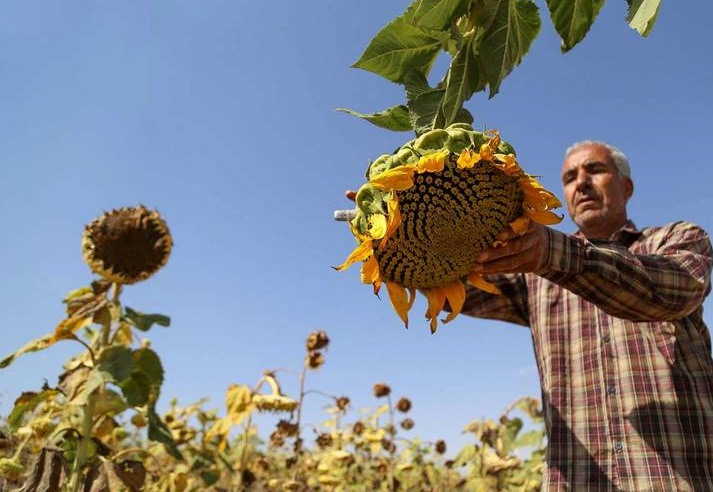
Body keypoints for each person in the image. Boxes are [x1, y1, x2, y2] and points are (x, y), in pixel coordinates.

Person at [465, 141, 713, 490]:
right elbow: (456, 281)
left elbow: (676, 289)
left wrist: (554, 255)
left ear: (626, 187)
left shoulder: (676, 239)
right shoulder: (533, 274)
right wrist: (393, 237)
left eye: (594, 170)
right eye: (569, 177)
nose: (580, 182)